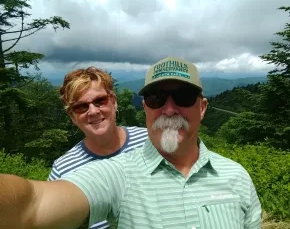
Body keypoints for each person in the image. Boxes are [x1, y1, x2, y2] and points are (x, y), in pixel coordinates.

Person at [0, 57, 262, 229]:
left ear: (203, 107)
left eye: (184, 96)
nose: (169, 109)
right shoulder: (116, 172)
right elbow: (33, 205)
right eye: (157, 98)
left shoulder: (237, 176)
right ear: (145, 107)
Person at [47, 66, 148, 228]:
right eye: (81, 107)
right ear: (72, 116)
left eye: (100, 101)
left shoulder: (149, 141)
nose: (93, 111)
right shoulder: (63, 170)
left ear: (114, 102)